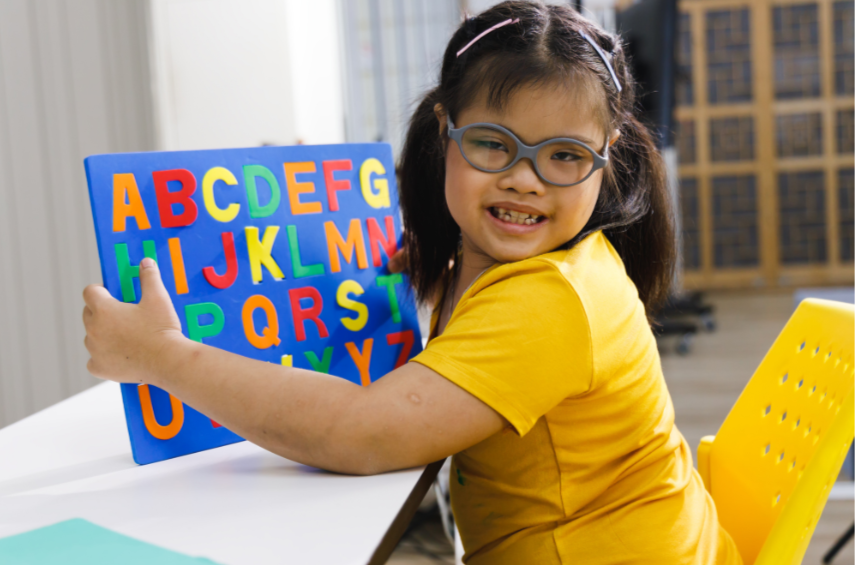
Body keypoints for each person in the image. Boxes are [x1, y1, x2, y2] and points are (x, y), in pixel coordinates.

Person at [82, 1, 742, 562]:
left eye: (564, 156)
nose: (523, 177)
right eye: (491, 143)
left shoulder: (553, 300)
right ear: (444, 131)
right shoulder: (502, 264)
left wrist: (163, 355)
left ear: (605, 162)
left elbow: (358, 434)